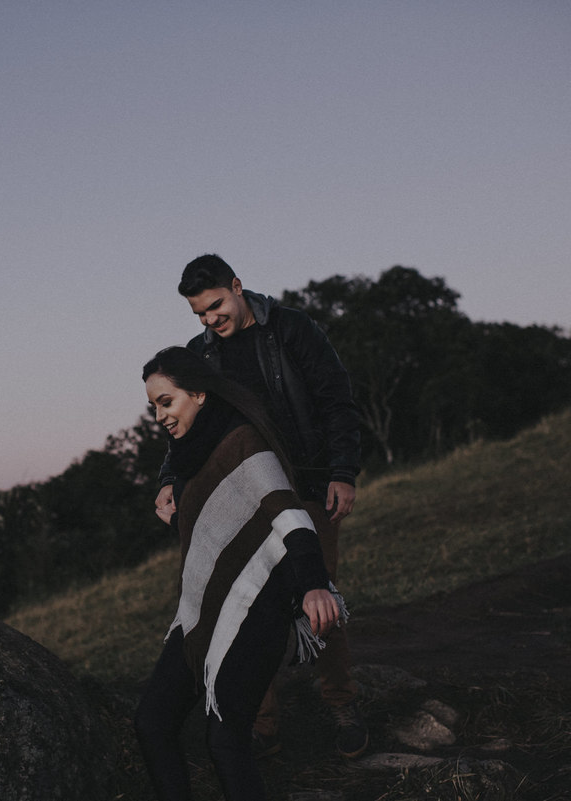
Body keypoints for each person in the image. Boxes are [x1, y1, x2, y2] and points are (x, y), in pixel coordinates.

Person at [154, 253, 367, 759]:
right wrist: (168, 480)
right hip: (243, 492)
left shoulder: (292, 329)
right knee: (248, 603)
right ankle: (262, 722)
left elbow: (336, 399)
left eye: (215, 307)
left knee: (319, 596)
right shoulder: (199, 354)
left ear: (237, 285)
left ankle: (341, 705)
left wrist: (342, 472)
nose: (210, 321)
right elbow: (183, 424)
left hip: (308, 484)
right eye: (199, 315)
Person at [135, 346, 347, 801]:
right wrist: (175, 515)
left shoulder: (242, 441)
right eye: (153, 406)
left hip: (255, 616)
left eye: (166, 402)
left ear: (198, 393)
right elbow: (220, 525)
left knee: (226, 744)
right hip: (203, 617)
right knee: (152, 722)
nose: (159, 416)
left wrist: (313, 584)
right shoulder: (189, 455)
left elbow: (290, 516)